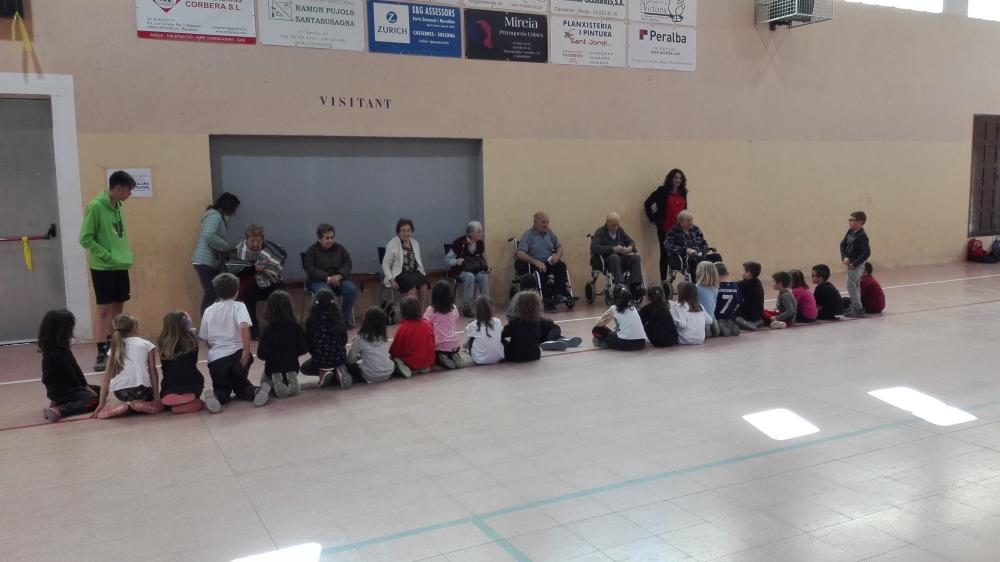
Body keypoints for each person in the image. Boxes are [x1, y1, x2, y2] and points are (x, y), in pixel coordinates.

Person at [79, 170, 136, 372]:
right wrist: (106, 255)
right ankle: (101, 351)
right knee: (103, 310)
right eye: (128, 190)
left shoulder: (118, 206)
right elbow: (85, 238)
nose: (130, 194)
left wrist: (122, 256)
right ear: (118, 188)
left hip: (120, 265)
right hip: (103, 267)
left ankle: (115, 346)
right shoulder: (95, 207)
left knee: (118, 308)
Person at [199, 273, 270, 413]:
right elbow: (243, 326)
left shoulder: (208, 310)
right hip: (238, 357)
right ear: (237, 292)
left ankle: (216, 396)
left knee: (222, 389)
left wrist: (213, 352)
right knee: (242, 386)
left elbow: (204, 337)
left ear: (216, 291)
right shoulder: (239, 306)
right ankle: (256, 392)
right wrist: (246, 350)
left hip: (217, 360)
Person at [94, 314, 162, 418]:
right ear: (135, 328)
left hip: (120, 393)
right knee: (153, 400)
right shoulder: (147, 344)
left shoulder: (114, 348)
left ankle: (124, 407)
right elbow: (152, 371)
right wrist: (156, 397)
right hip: (142, 391)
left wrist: (101, 403)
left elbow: (106, 377)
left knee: (127, 404)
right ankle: (141, 404)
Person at [39, 310, 101, 422]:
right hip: (64, 390)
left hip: (67, 389)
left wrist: (85, 385)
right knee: (93, 400)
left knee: (99, 390)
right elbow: (69, 375)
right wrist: (82, 389)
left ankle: (59, 402)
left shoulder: (62, 349)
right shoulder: (56, 354)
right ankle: (60, 410)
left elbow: (76, 369)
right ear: (63, 330)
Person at [228, 224, 285, 339]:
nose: (255, 244)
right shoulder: (238, 251)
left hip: (266, 281)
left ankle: (278, 325)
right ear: (246, 240)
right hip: (247, 283)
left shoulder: (268, 248)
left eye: (258, 241)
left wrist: (267, 268)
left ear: (262, 240)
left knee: (281, 290)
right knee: (249, 296)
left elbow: (280, 256)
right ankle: (254, 332)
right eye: (252, 241)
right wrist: (254, 268)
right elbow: (234, 271)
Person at [193, 193, 241, 316]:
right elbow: (209, 235)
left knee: (213, 293)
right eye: (234, 208)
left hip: (207, 261)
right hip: (205, 261)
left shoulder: (217, 216)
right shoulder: (214, 216)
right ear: (228, 205)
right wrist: (227, 247)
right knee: (211, 293)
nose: (235, 211)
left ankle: (209, 323)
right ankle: (206, 324)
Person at [304, 224, 358, 327]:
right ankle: (328, 323)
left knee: (351, 290)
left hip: (339, 279)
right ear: (320, 239)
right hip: (319, 281)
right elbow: (310, 270)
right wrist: (327, 278)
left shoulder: (340, 248)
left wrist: (340, 275)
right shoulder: (312, 251)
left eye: (332, 237)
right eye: (327, 238)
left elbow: (348, 263)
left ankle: (342, 321)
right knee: (326, 293)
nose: (330, 240)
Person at [516, 212, 572, 312]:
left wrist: (557, 255)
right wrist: (535, 262)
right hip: (535, 263)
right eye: (543, 222)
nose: (546, 225)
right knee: (540, 271)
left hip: (548, 261)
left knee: (561, 266)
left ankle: (559, 294)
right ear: (535, 223)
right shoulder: (528, 235)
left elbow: (560, 246)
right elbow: (520, 253)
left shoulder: (549, 233)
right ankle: (547, 300)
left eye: (547, 222)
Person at [256, 291, 308, 398]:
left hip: (273, 368)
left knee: (263, 380)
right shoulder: (296, 327)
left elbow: (261, 354)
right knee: (289, 369)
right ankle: (290, 378)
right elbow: (304, 348)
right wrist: (294, 353)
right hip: (292, 366)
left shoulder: (268, 330)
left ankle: (272, 383)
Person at [506, 280, 583, 351]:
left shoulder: (515, 298)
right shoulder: (529, 296)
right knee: (554, 327)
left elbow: (509, 317)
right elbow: (534, 315)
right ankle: (551, 341)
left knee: (545, 330)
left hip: (523, 327)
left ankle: (560, 340)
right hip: (530, 324)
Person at [644, 169, 688, 282]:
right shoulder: (662, 191)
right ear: (671, 178)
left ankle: (677, 279)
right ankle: (664, 281)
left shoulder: (683, 192)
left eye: (680, 178)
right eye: (675, 178)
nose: (678, 180)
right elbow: (647, 203)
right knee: (665, 255)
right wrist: (653, 218)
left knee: (682, 255)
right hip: (665, 229)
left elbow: (684, 210)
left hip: (679, 230)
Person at [156, 311, 205, 414]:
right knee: (197, 399)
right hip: (194, 384)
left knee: (165, 397)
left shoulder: (162, 342)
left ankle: (172, 405)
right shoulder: (191, 340)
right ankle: (193, 402)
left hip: (170, 386)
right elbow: (194, 361)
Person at [303, 289, 351, 389]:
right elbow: (344, 339)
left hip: (321, 359)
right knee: (341, 361)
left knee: (304, 368)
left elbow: (309, 343)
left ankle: (323, 372)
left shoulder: (311, 321)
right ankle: (338, 370)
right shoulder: (339, 317)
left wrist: (315, 354)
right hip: (339, 357)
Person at [590, 212, 645, 298]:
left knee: (636, 258)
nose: (615, 228)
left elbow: (631, 241)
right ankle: (620, 286)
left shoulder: (620, 230)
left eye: (617, 225)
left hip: (621, 258)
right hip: (607, 260)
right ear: (607, 223)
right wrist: (613, 249)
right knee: (614, 257)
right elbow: (594, 247)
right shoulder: (600, 232)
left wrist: (630, 248)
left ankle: (636, 286)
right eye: (613, 225)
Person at [447, 221, 490, 317]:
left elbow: (481, 258)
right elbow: (448, 259)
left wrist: (486, 267)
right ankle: (467, 307)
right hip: (460, 270)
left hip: (475, 269)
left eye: (481, 231)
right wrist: (456, 261)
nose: (481, 233)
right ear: (471, 233)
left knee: (483, 276)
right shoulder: (459, 242)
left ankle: (486, 305)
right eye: (479, 231)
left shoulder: (480, 243)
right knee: (470, 277)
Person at [383, 218, 429, 305]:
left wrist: (423, 274)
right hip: (399, 273)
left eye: (408, 230)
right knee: (411, 284)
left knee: (424, 282)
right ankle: (411, 312)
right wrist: (391, 280)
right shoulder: (392, 244)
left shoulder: (415, 243)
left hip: (414, 272)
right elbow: (385, 264)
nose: (406, 233)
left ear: (411, 232)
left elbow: (418, 262)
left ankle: (421, 311)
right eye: (403, 230)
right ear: (398, 232)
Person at [389, 296, 436, 377]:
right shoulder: (428, 324)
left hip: (411, 361)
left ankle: (404, 366)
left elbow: (395, 350)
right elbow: (433, 343)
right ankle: (423, 367)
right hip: (429, 360)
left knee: (394, 360)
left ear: (402, 312)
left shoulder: (403, 328)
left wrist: (392, 356)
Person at [346, 307, 395, 384]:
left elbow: (350, 359)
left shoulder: (359, 338)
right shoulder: (384, 338)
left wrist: (358, 357)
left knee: (348, 365)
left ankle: (344, 376)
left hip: (370, 375)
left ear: (366, 321)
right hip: (388, 373)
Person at [665, 210, 720, 280]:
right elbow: (669, 246)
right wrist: (685, 250)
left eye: (692, 219)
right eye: (688, 220)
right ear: (681, 222)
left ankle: (718, 281)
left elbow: (703, 243)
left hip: (700, 256)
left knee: (717, 256)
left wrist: (703, 251)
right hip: (685, 259)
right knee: (693, 260)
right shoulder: (673, 231)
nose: (691, 222)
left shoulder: (695, 229)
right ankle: (696, 283)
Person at [424, 280, 465, 370]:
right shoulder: (454, 307)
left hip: (439, 345)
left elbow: (424, 324)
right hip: (455, 344)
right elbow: (456, 317)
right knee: (450, 348)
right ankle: (454, 354)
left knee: (436, 354)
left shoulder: (430, 310)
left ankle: (442, 358)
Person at [840, 211, 872, 318]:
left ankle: (858, 308)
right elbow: (842, 244)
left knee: (851, 285)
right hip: (849, 262)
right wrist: (844, 257)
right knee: (855, 284)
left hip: (856, 264)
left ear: (860, 222)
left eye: (852, 220)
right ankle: (857, 306)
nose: (850, 222)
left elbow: (866, 252)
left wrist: (854, 263)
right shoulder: (850, 231)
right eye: (849, 220)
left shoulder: (862, 236)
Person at [502, 291, 544, 362]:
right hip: (535, 355)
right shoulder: (537, 322)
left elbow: (501, 335)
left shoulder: (514, 323)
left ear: (519, 306)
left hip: (516, 357)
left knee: (500, 341)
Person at [465, 296, 504, 365]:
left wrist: (472, 323)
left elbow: (466, 332)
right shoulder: (497, 321)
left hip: (480, 360)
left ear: (476, 311)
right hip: (498, 357)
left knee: (472, 338)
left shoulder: (474, 325)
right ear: (492, 309)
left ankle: (469, 349)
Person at [714, 263, 742, 337]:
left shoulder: (715, 287)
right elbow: (738, 305)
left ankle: (720, 323)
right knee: (729, 318)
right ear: (726, 273)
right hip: (730, 314)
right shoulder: (735, 285)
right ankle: (729, 321)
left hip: (718, 315)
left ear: (715, 274)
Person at [736, 261, 765, 331]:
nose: (741, 272)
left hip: (746, 316)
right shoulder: (758, 282)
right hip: (758, 315)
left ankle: (747, 323)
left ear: (748, 273)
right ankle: (757, 322)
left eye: (743, 270)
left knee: (733, 317)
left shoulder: (741, 284)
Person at [695, 261, 720, 337]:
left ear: (700, 272)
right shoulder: (715, 288)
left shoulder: (696, 287)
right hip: (712, 318)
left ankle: (707, 328)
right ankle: (713, 325)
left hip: (701, 320)